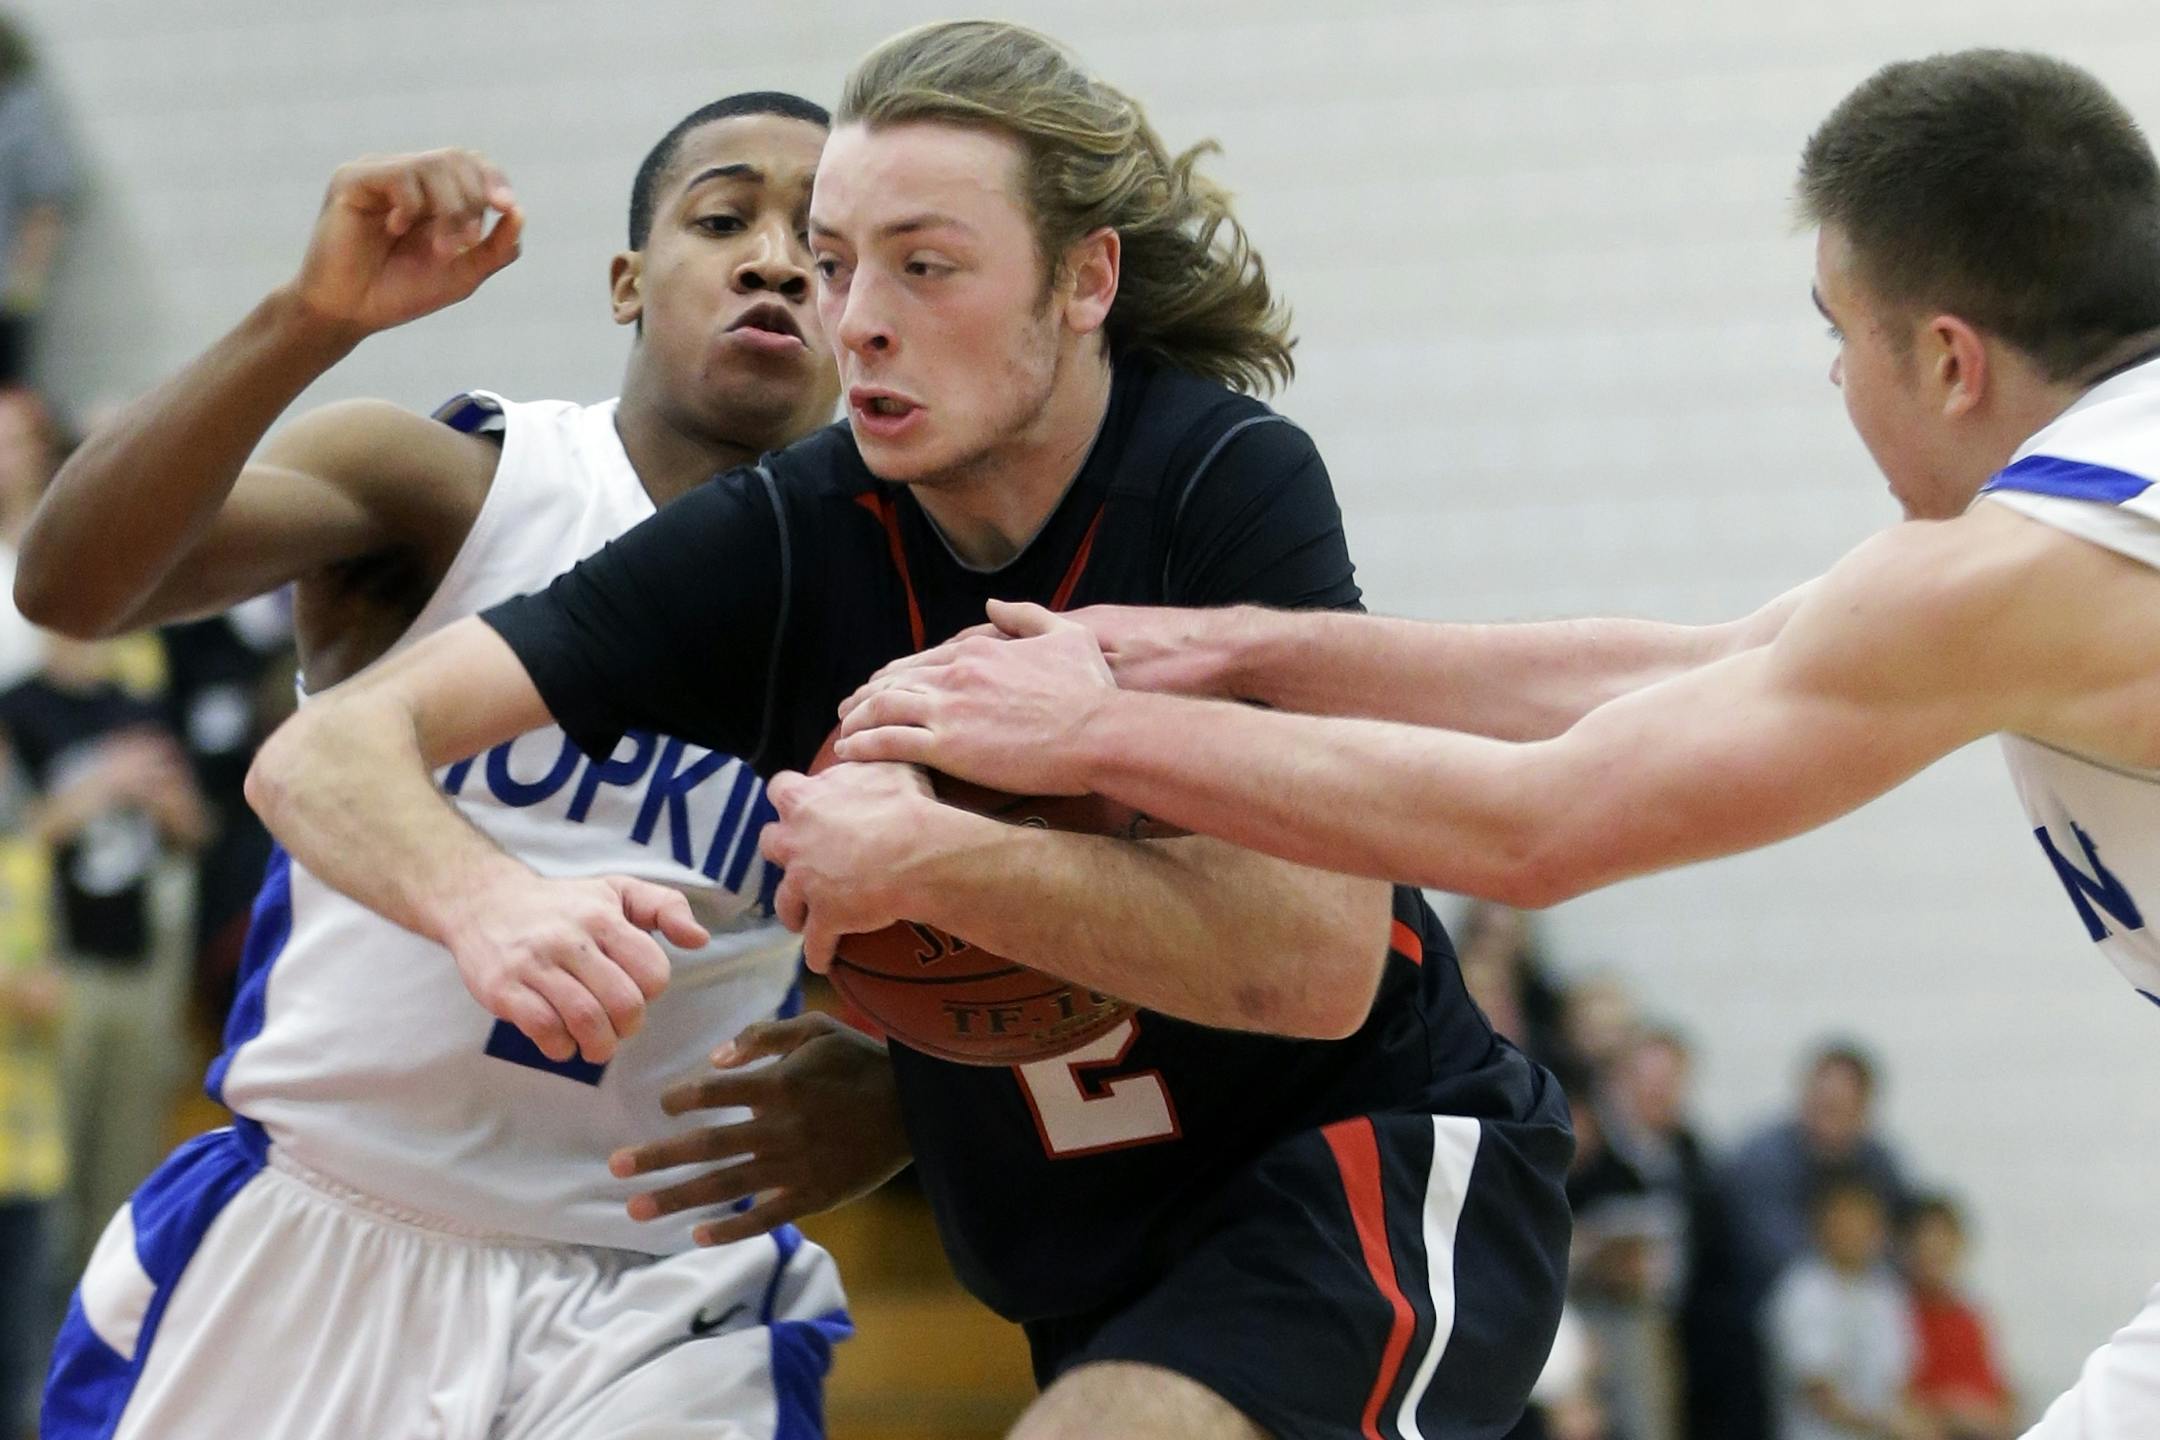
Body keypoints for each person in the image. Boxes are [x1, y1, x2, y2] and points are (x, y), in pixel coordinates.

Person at [242, 21, 1575, 1440]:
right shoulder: (786, 535)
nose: (858, 319)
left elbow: (1312, 964)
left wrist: (931, 862)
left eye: (924, 266)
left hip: (1361, 1169)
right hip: (1083, 1246)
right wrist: (487, 901)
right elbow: (321, 752)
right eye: (837, 264)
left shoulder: (1215, 479)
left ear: (1085, 280)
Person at [829, 49, 2160, 1435]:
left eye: (1840, 334)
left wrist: (1100, 735)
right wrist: (1240, 649)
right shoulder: (2071, 521)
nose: (1834, 378)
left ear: (1946, 359)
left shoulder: (2019, 571)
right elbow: (1685, 671)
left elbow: (1537, 825)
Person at [18, 94, 912, 1440]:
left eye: (826, 253)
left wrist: (916, 1098)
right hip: (322, 1233)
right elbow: (71, 583)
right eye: (726, 219)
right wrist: (307, 320)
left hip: (657, 1294)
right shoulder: (453, 484)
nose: (777, 262)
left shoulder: (901, 611)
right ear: (628, 281)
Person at [1767, 1176, 1924, 1440]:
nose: (1854, 1232)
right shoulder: (1803, 1292)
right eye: (1843, 1222)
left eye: (1864, 1222)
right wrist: (1889, 1425)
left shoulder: (1886, 1290)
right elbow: (1819, 1395)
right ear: (1820, 1227)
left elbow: (1901, 1384)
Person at [1903, 1194, 2017, 1440]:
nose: (1933, 1249)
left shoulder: (1972, 1317)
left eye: (1943, 1239)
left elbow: (2001, 1392)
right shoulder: (1896, 1315)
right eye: (1925, 1240)